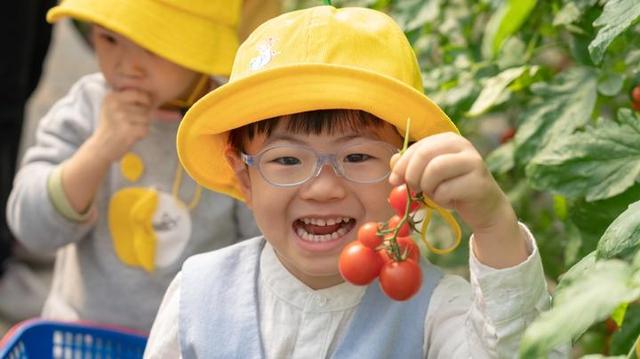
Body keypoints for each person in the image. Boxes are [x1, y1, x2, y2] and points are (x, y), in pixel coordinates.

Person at [144, 5, 568, 358]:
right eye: (287, 159)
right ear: (244, 177)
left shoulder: (435, 311)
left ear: (411, 178)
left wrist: (494, 224)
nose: (323, 187)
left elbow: (521, 349)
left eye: (358, 156)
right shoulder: (195, 296)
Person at [5, 0, 275, 333]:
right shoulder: (86, 108)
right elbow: (31, 228)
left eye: (152, 44)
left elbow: (265, 246)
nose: (126, 66)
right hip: (82, 336)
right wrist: (98, 152)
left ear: (202, 49)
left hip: (192, 339)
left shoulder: (228, 123)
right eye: (109, 39)